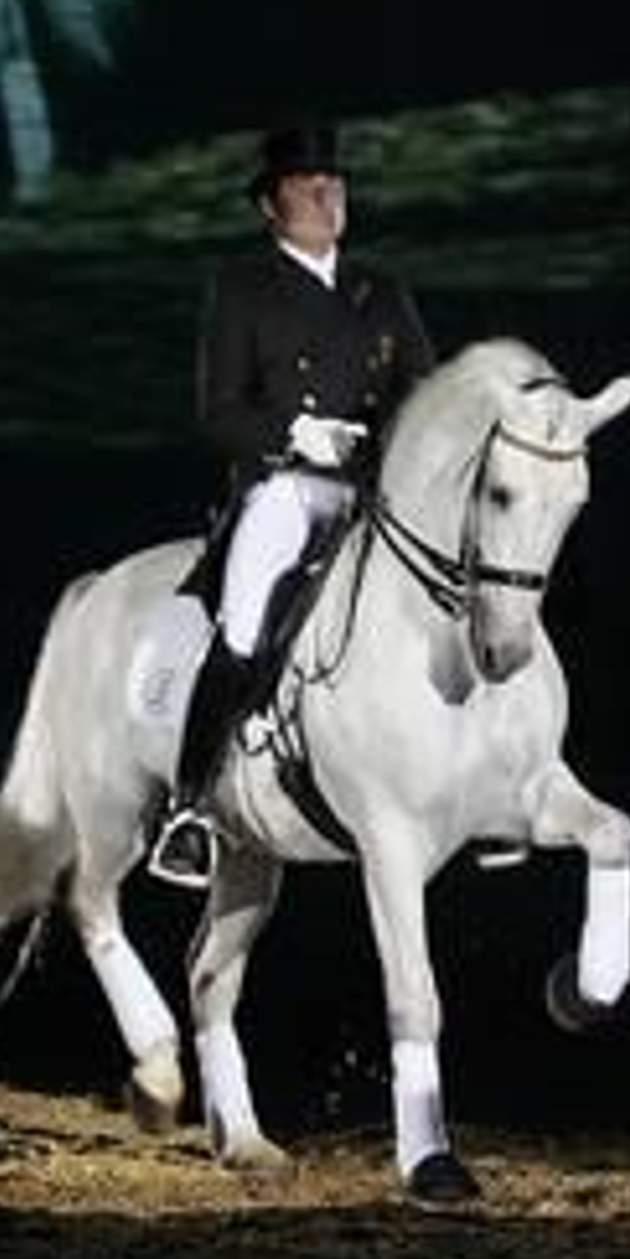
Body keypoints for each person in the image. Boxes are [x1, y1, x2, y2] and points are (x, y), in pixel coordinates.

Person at [149, 115, 436, 889]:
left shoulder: (382, 289)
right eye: (308, 184)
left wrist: (388, 446)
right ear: (270, 205)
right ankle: (191, 804)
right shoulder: (242, 289)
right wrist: (296, 432)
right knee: (244, 624)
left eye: (334, 181)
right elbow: (218, 410)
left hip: (373, 488)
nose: (326, 192)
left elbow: (425, 392)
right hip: (287, 487)